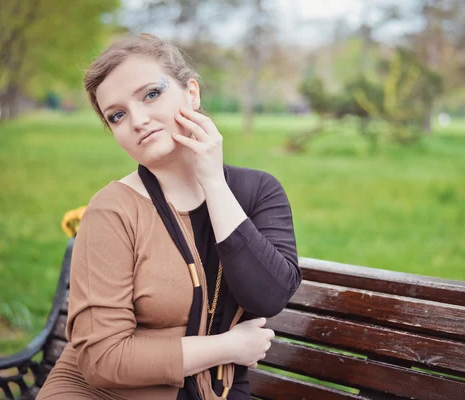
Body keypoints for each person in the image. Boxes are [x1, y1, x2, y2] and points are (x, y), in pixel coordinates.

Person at [37, 33, 301, 400]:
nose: (139, 120)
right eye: (117, 115)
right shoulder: (111, 210)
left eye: (151, 94)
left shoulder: (258, 192)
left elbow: (268, 297)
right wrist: (227, 347)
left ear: (191, 93)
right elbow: (102, 359)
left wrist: (212, 182)